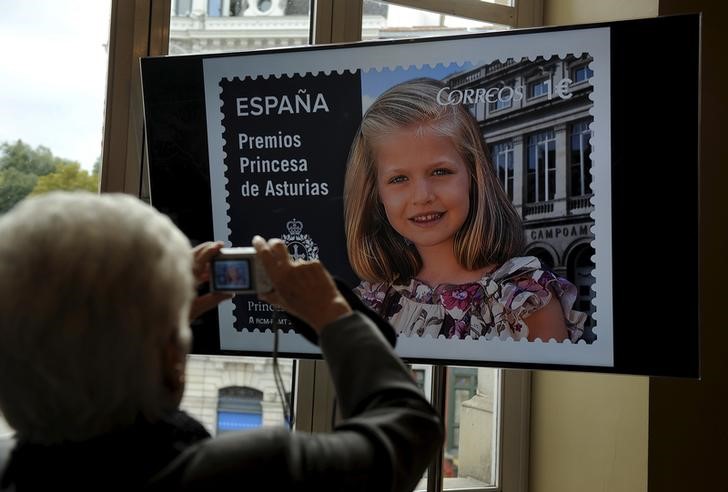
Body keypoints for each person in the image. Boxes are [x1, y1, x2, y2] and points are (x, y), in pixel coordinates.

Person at [0, 191, 442, 491]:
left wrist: (156, 319)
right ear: (171, 357)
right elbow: (409, 427)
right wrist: (329, 312)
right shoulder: (249, 471)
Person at [344, 77, 586, 342]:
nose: (422, 196)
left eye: (440, 171)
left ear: (473, 175)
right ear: (376, 192)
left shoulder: (524, 302)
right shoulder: (371, 302)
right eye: (399, 179)